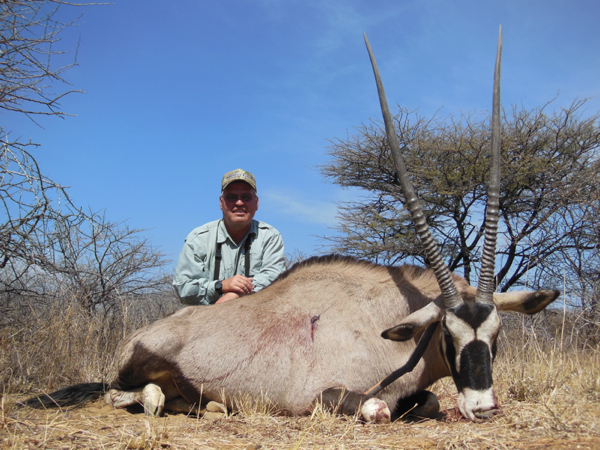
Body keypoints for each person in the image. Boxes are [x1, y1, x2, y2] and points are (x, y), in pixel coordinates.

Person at [173, 169, 286, 305]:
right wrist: (220, 286)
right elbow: (184, 288)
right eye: (232, 197)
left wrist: (235, 294)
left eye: (246, 197)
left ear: (256, 202)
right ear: (221, 202)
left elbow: (275, 278)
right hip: (207, 316)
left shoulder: (270, 237)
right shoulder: (198, 239)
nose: (239, 203)